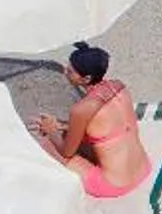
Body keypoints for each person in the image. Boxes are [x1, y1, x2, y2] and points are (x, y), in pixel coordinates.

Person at [33, 43, 151, 200]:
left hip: (114, 185)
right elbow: (105, 127)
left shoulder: (82, 109)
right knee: (84, 137)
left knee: (46, 146)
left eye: (70, 71)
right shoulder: (118, 86)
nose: (65, 72)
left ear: (86, 78)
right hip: (143, 168)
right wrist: (63, 126)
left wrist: (51, 129)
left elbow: (66, 152)